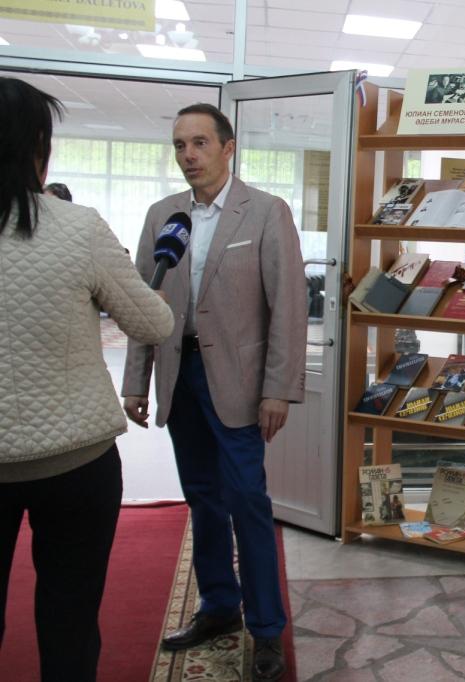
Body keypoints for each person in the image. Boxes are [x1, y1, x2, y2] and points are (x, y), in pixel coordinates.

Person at [121, 103, 306, 682]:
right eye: (180, 145)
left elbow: (289, 306)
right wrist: (135, 382)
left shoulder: (266, 212)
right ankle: (219, 605)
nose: (188, 155)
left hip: (240, 384)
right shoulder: (163, 216)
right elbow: (144, 302)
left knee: (247, 501)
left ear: (228, 148)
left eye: (200, 143)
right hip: (180, 376)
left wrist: (278, 389)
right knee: (202, 498)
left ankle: (267, 628)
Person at [0, 78, 174, 682]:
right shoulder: (77, 227)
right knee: (69, 616)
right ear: (36, 148)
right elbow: (152, 323)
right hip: (76, 463)